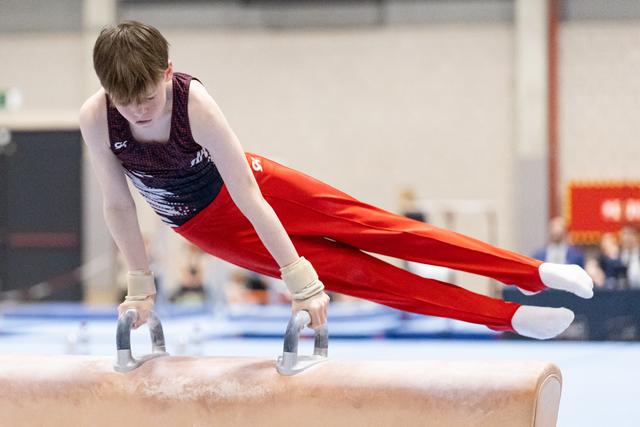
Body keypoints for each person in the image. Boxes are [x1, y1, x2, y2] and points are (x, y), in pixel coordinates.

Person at [79, 21, 593, 340]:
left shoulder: (197, 105)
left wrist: (297, 277)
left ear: (168, 71)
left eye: (147, 95)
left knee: (384, 229)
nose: (139, 111)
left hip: (257, 189)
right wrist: (140, 288)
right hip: (206, 226)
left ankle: (532, 272)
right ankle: (507, 318)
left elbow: (248, 195)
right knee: (367, 278)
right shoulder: (98, 118)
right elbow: (119, 206)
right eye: (126, 102)